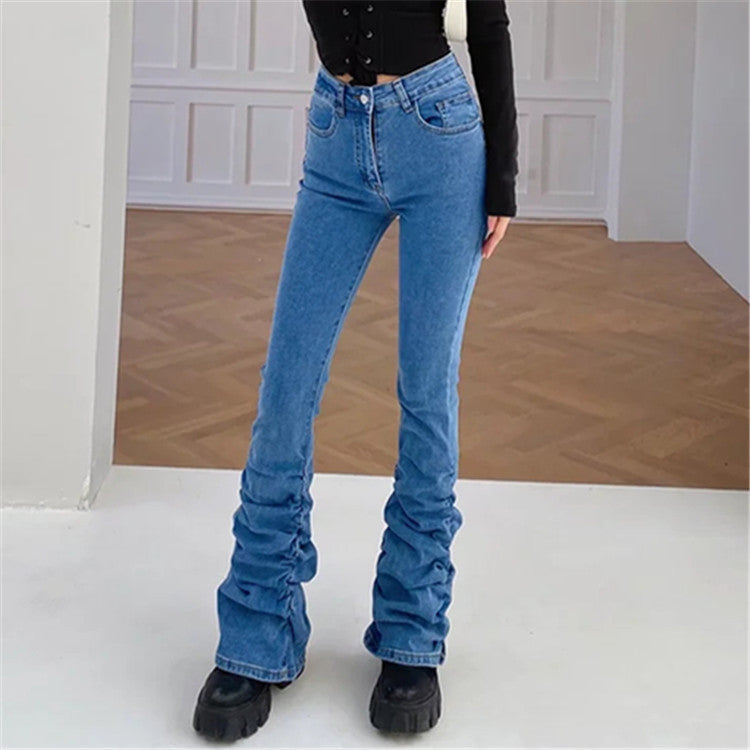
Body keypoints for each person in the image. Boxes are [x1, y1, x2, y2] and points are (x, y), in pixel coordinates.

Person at [193, 0, 518, 740]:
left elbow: (488, 22)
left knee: (425, 392)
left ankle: (411, 634)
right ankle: (256, 631)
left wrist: (502, 175)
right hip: (335, 136)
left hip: (439, 134)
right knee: (285, 392)